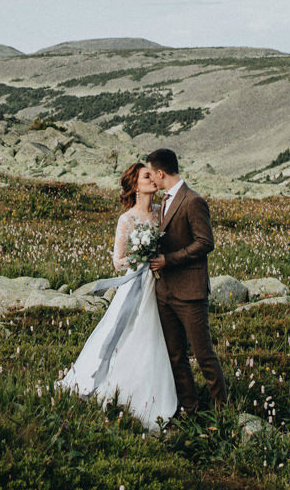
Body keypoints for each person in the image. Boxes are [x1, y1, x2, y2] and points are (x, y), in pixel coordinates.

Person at [55, 161, 178, 429]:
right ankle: (121, 387)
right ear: (135, 185)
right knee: (131, 332)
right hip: (136, 285)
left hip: (161, 284)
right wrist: (141, 258)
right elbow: (117, 261)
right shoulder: (128, 219)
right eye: (147, 176)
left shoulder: (161, 212)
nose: (153, 180)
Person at [143, 147, 226, 414]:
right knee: (175, 354)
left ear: (160, 172)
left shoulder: (193, 201)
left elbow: (205, 243)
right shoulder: (162, 202)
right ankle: (189, 406)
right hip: (165, 291)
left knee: (203, 355)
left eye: (152, 175)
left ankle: (223, 410)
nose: (151, 181)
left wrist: (170, 259)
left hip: (190, 292)